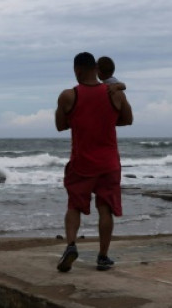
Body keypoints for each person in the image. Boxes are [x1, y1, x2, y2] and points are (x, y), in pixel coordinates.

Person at [54, 52, 133, 272]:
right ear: (96, 69)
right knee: (105, 209)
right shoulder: (114, 93)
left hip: (82, 162)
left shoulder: (69, 95)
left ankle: (71, 245)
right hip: (109, 162)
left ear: (77, 70)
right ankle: (103, 256)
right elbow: (128, 119)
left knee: (74, 206)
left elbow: (60, 125)